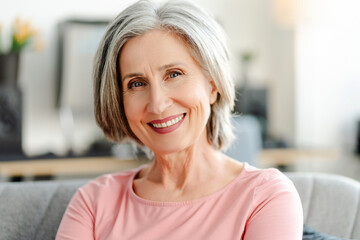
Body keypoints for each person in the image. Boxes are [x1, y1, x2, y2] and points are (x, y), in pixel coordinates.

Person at [56, 0, 303, 239]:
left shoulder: (265, 196)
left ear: (212, 84)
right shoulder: (92, 203)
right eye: (137, 83)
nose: (157, 104)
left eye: (174, 74)